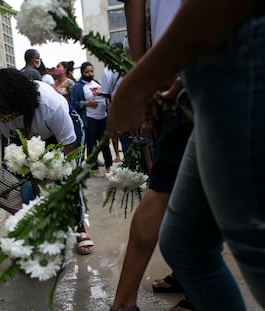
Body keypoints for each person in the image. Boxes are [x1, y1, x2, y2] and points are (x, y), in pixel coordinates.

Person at [109, 1, 265, 310]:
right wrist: (177, 77)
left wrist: (139, 82)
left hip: (239, 54)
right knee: (185, 246)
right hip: (199, 70)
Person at [0, 68, 94, 251]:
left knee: (66, 179)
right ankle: (37, 230)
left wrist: (48, 170)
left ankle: (79, 229)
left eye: (3, 108)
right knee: (19, 185)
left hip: (63, 137)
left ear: (20, 101)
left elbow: (68, 144)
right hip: (26, 140)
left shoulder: (50, 104)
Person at [109, 1, 194, 310]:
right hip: (175, 76)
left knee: (166, 192)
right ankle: (186, 281)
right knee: (174, 191)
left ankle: (125, 303)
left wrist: (143, 83)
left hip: (191, 69)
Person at [70, 61, 113, 177]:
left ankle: (109, 165)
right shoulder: (78, 87)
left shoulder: (97, 82)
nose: (90, 74)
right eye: (87, 72)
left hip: (102, 117)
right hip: (90, 118)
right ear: (82, 73)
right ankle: (94, 168)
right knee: (92, 145)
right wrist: (86, 103)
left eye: (91, 71)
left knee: (104, 143)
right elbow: (73, 103)